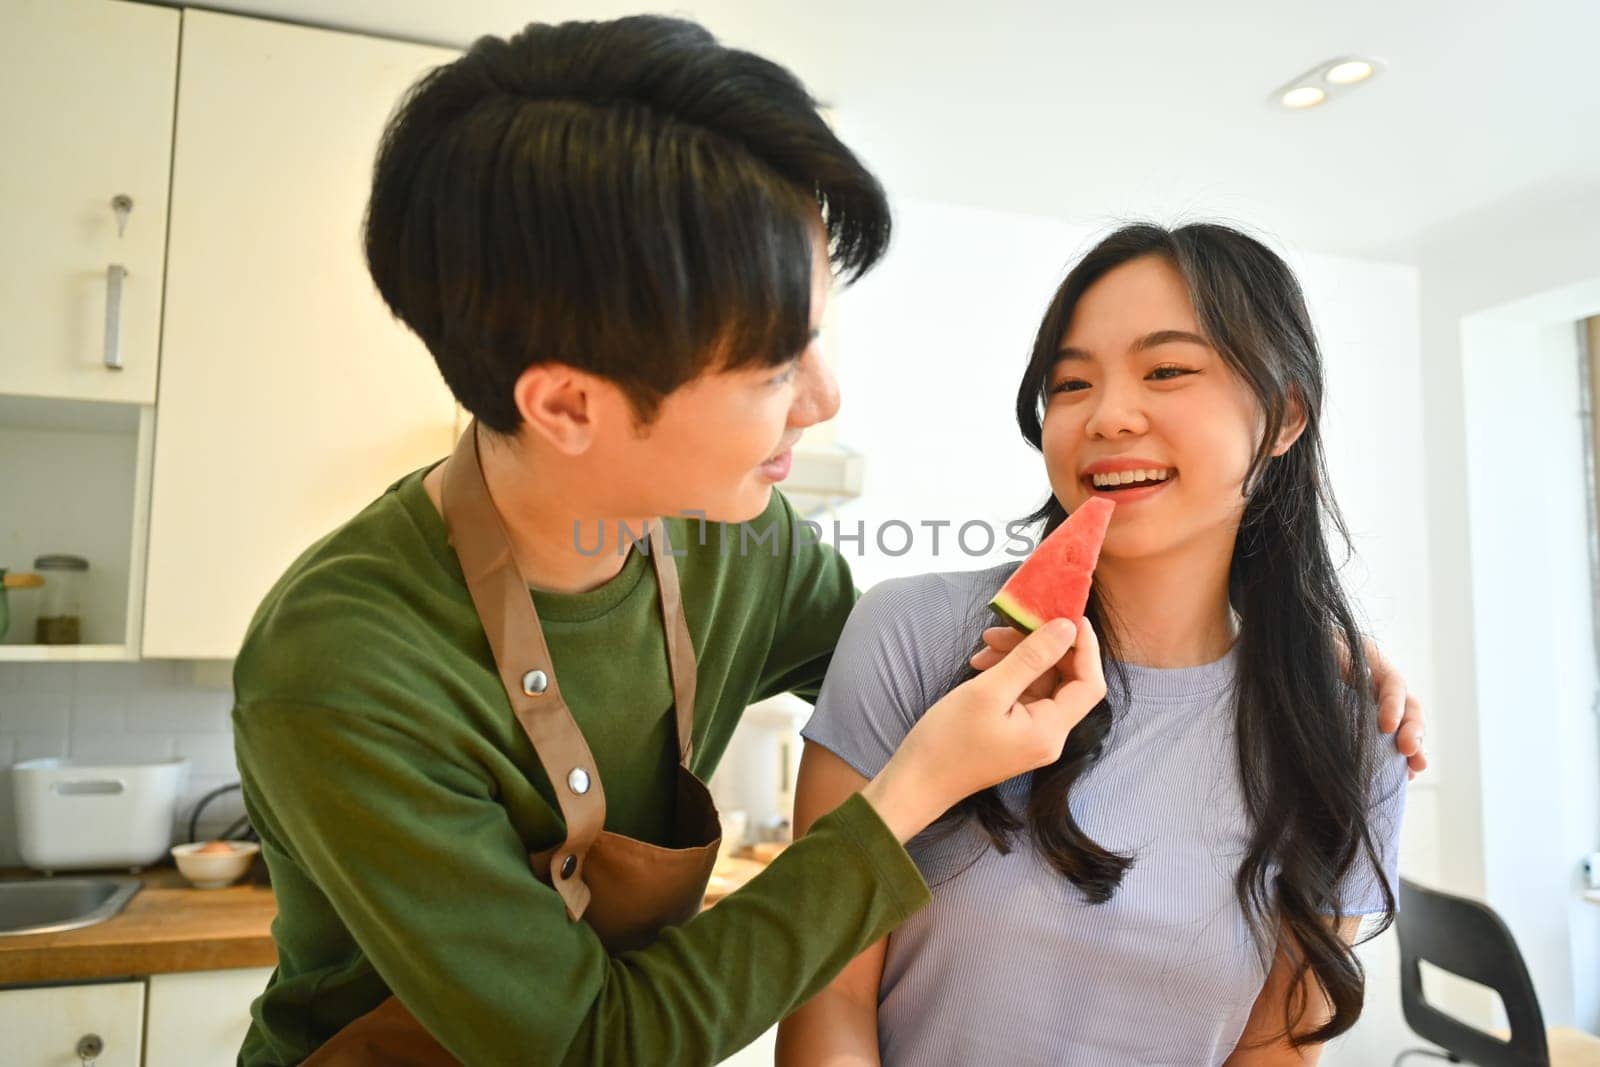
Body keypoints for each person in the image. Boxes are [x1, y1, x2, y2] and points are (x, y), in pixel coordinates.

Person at [230, 15, 1425, 1064]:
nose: (822, 397)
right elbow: (589, 1041)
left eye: (815, 335)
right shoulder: (340, 666)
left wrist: (1301, 649)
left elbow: (957, 650)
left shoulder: (744, 552)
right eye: (768, 365)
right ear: (568, 405)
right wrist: (914, 784)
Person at [781, 223, 1413, 1066]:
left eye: (1168, 370)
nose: (1108, 415)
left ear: (1286, 414)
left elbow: (1277, 1050)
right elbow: (827, 998)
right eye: (1071, 383)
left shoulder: (1350, 731)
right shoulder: (912, 636)